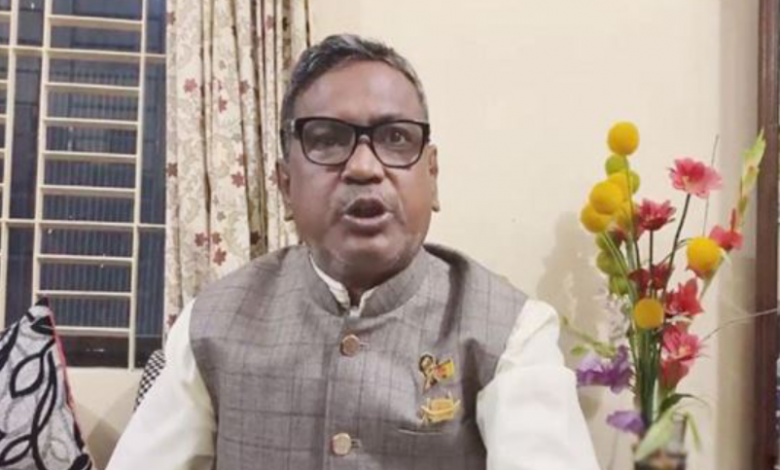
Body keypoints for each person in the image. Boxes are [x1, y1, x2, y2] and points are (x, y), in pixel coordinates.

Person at [107, 34, 600, 470]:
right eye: (327, 139)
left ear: (432, 176)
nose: (364, 167)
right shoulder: (209, 325)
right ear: (285, 185)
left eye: (396, 138)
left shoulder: (512, 333)